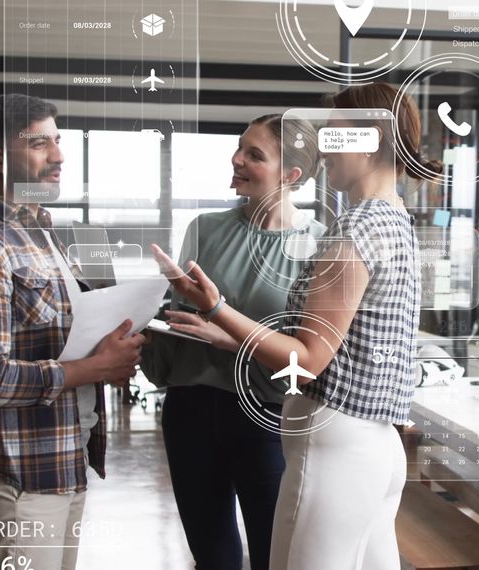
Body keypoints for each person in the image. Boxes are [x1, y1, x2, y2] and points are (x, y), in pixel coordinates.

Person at [151, 83, 436, 570]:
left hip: (336, 440)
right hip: (375, 442)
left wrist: (217, 308)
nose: (325, 146)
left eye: (336, 135)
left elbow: (307, 361)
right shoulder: (396, 221)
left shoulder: (355, 229)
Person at [0, 94, 145, 570]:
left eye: (58, 140)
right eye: (39, 144)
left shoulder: (47, 232)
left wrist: (115, 348)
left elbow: (58, 334)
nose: (58, 156)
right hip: (18, 476)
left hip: (64, 456)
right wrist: (89, 368)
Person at [140, 114, 325, 569]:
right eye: (239, 147)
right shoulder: (205, 228)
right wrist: (141, 316)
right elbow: (172, 316)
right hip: (191, 410)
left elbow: (312, 357)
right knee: (212, 553)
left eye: (254, 155)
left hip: (267, 416)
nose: (237, 159)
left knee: (273, 551)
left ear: (291, 175)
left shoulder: (321, 245)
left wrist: (229, 338)